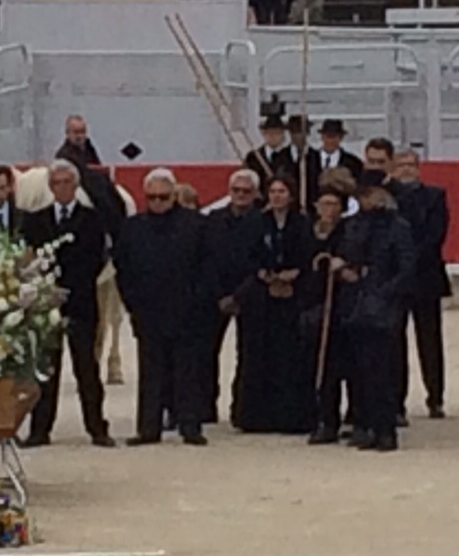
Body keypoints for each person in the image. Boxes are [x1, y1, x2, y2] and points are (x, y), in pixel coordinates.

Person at [21, 159, 114, 448]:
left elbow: (96, 258)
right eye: (56, 183)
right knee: (46, 369)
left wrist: (71, 287)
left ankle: (97, 428)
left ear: (75, 186)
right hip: (46, 304)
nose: (61, 188)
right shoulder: (36, 220)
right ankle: (40, 429)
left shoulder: (92, 219)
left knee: (86, 368)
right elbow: (30, 259)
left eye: (66, 183)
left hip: (81, 301)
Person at [114, 168, 209, 446]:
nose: (157, 202)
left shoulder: (196, 225)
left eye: (163, 197)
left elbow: (208, 265)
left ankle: (190, 425)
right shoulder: (133, 227)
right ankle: (148, 428)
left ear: (174, 196)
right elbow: (123, 267)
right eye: (152, 197)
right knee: (150, 371)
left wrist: (198, 300)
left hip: (187, 309)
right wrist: (132, 302)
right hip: (148, 310)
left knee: (188, 371)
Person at [336, 177, 416, 452]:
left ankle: (385, 429)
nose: (367, 201)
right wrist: (346, 270)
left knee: (381, 370)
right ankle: (367, 425)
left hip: (383, 304)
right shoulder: (354, 225)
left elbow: (407, 268)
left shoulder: (398, 227)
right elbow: (347, 255)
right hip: (356, 300)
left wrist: (383, 291)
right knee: (360, 370)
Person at [234, 175, 314, 434]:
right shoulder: (256, 222)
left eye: (282, 191)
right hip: (262, 297)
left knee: (289, 355)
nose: (277, 196)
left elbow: (307, 255)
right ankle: (256, 416)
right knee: (259, 354)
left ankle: (291, 415)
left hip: (293, 295)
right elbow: (246, 255)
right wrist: (264, 274)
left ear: (291, 196)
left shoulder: (302, 223)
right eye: (273, 191)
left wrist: (294, 275)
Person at [389, 145, 449, 420]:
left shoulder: (435, 196)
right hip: (395, 280)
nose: (406, 170)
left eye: (410, 165)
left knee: (430, 340)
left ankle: (435, 397)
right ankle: (396, 400)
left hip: (425, 276)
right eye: (400, 165)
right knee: (394, 341)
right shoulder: (386, 197)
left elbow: (435, 235)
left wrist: (410, 261)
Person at [205, 168, 262, 425]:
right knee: (206, 352)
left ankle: (243, 410)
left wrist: (239, 295)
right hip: (216, 293)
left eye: (246, 191)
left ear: (255, 194)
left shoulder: (262, 221)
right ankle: (204, 407)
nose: (240, 195)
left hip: (250, 295)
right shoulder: (213, 220)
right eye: (236, 191)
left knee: (248, 355)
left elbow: (260, 262)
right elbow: (206, 258)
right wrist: (219, 293)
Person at [304, 187, 353, 444]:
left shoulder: (347, 232)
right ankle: (323, 419)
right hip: (313, 306)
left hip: (340, 307)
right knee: (320, 367)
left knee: (344, 366)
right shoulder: (307, 233)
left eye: (333, 204)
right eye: (323, 203)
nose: (328, 209)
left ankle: (350, 418)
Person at [306, 119, 363, 202]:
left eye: (334, 137)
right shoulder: (308, 160)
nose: (331, 141)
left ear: (341, 138)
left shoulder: (353, 163)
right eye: (328, 136)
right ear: (322, 137)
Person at [244, 111, 299, 188]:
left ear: (283, 134)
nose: (273, 136)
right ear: (263, 133)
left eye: (277, 133)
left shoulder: (292, 156)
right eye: (269, 133)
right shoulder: (253, 157)